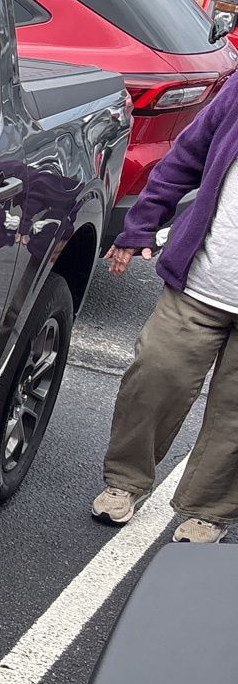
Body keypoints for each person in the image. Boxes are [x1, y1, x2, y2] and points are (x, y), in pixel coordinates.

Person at [95, 75, 238, 542]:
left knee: (235, 411)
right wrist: (141, 225)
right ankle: (126, 481)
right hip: (201, 281)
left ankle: (210, 510)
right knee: (156, 373)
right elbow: (185, 159)